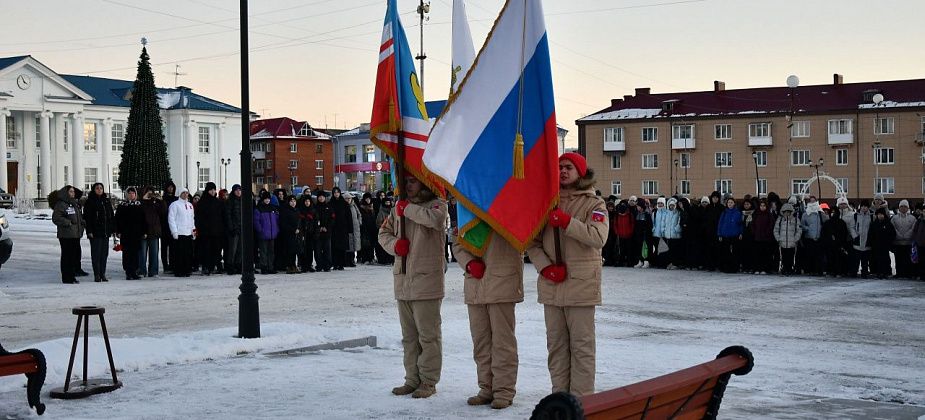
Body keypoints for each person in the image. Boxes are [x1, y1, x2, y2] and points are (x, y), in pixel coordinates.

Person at [526, 153, 608, 397]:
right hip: (552, 285)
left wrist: (567, 222)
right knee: (556, 346)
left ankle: (581, 401)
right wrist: (544, 267)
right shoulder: (547, 202)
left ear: (580, 172)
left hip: (581, 286)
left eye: (568, 167)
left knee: (581, 347)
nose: (563, 171)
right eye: (559, 167)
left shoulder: (594, 204)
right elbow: (532, 242)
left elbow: (597, 237)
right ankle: (560, 397)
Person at [378, 174, 449, 399]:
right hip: (404, 279)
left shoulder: (437, 204)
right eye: (405, 181)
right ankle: (412, 379)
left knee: (428, 336)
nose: (407, 185)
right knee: (409, 337)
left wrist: (406, 209)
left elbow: (435, 220)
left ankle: (428, 381)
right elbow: (383, 233)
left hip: (427, 280)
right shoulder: (398, 208)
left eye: (412, 181)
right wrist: (395, 245)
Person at [453, 230, 524, 409]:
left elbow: (523, 240)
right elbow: (457, 243)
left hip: (503, 282)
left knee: (503, 341)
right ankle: (486, 388)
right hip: (475, 284)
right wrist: (468, 263)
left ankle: (503, 391)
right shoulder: (470, 209)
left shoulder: (508, 209)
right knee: (481, 342)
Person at [52, 185, 86, 284]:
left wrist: (82, 223)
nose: (73, 193)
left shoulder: (74, 203)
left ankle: (72, 276)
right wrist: (68, 222)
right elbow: (56, 218)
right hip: (66, 235)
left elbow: (78, 217)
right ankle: (66, 277)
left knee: (73, 257)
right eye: (70, 192)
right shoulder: (61, 204)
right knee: (67, 257)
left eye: (73, 192)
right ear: (66, 193)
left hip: (75, 234)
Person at [83, 182, 115, 282]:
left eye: (101, 188)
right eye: (97, 188)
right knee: (96, 254)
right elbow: (87, 218)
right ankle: (97, 274)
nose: (99, 190)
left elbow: (111, 216)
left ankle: (103, 273)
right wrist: (89, 231)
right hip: (95, 232)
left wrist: (113, 229)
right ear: (94, 190)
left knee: (104, 254)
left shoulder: (106, 201)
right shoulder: (90, 201)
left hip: (105, 232)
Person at [195, 182, 225, 275]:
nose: (212, 192)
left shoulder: (217, 202)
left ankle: (213, 266)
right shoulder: (202, 202)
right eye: (211, 190)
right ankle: (206, 267)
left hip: (216, 231)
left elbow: (221, 216)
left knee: (216, 249)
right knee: (205, 249)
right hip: (205, 231)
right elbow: (199, 217)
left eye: (213, 190)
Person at [116, 187, 146, 280]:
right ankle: (128, 272)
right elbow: (117, 219)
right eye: (129, 193)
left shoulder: (139, 205)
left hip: (136, 234)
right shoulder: (122, 205)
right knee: (127, 253)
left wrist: (144, 231)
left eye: (133, 193)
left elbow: (143, 220)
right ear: (126, 194)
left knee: (135, 253)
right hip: (125, 234)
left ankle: (134, 271)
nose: (131, 195)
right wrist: (118, 231)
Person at [168, 188, 196, 277]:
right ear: (179, 194)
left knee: (187, 253)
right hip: (179, 233)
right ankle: (179, 270)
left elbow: (192, 219)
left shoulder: (190, 205)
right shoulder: (174, 205)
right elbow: (171, 219)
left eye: (186, 193)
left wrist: (193, 231)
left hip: (188, 232)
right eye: (183, 193)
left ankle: (187, 269)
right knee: (179, 253)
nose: (185, 194)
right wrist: (174, 232)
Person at [139, 186, 165, 277]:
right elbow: (140, 210)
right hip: (144, 231)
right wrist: (144, 199)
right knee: (142, 253)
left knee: (154, 253)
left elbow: (163, 212)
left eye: (151, 193)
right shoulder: (141, 203)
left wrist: (161, 200)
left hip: (154, 231)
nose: (150, 195)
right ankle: (142, 271)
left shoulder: (156, 203)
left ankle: (153, 271)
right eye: (148, 193)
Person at [253, 191, 280, 274]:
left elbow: (277, 220)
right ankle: (264, 267)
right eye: (265, 199)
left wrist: (277, 230)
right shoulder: (258, 208)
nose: (267, 200)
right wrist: (260, 230)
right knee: (263, 251)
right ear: (263, 199)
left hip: (272, 234)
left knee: (271, 251)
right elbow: (256, 221)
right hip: (263, 234)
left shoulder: (273, 208)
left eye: (268, 198)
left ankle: (270, 267)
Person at [800, 202, 828, 276]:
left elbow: (826, 221)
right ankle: (810, 270)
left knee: (819, 256)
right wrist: (808, 228)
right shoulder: (805, 214)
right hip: (809, 238)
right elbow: (802, 225)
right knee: (810, 255)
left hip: (819, 237)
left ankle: (818, 270)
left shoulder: (820, 213)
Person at [774, 203, 802, 275]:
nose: (787, 213)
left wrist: (796, 239)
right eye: (785, 212)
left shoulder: (795, 220)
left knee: (791, 256)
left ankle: (790, 268)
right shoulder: (780, 220)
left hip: (792, 242)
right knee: (783, 256)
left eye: (788, 211)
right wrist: (778, 238)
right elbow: (776, 230)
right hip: (782, 242)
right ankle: (784, 268)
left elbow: (799, 230)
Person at [869, 207, 896, 279]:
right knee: (877, 259)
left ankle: (887, 272)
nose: (880, 216)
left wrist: (889, 242)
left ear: (884, 215)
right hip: (876, 246)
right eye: (879, 214)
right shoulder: (874, 224)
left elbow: (892, 234)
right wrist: (872, 243)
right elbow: (871, 234)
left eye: (881, 214)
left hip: (885, 246)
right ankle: (878, 272)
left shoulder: (888, 223)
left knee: (886, 259)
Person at [891, 200, 915, 278]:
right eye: (901, 206)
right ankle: (899, 273)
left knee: (908, 259)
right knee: (898, 259)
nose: (903, 208)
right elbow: (893, 228)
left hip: (908, 243)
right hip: (897, 243)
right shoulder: (894, 218)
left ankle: (908, 274)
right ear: (899, 208)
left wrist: (906, 235)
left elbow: (913, 228)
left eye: (905, 206)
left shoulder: (912, 218)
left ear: (908, 208)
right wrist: (899, 235)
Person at [278, 195, 301, 274]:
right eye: (291, 201)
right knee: (289, 250)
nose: (293, 203)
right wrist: (293, 229)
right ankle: (289, 266)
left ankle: (294, 265)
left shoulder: (297, 210)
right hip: (288, 234)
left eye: (294, 201)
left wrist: (298, 229)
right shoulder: (285, 211)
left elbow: (299, 221)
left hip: (296, 234)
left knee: (294, 251)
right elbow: (284, 223)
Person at [850, 201, 874, 278]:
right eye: (862, 206)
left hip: (867, 242)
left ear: (868, 207)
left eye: (866, 206)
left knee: (865, 260)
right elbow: (852, 227)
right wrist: (855, 236)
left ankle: (864, 273)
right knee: (855, 260)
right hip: (857, 241)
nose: (864, 208)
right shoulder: (856, 215)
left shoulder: (872, 216)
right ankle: (854, 272)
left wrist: (871, 237)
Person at [224, 185, 244, 275]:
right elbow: (228, 216)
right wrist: (231, 228)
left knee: (240, 249)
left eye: (239, 190)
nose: (238, 192)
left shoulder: (242, 201)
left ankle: (238, 265)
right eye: (236, 190)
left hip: (241, 228)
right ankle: (230, 266)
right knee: (233, 249)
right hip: (233, 229)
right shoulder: (230, 201)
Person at [314, 192, 334, 272]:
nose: (321, 198)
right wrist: (319, 228)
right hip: (317, 233)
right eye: (320, 197)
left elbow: (332, 219)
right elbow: (313, 220)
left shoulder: (329, 207)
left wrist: (327, 227)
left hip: (327, 232)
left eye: (323, 197)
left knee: (327, 250)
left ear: (325, 198)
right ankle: (319, 265)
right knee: (317, 250)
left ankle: (327, 266)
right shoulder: (315, 207)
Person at [297, 194, 317, 272]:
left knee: (310, 250)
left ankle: (309, 265)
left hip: (310, 233)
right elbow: (299, 222)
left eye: (308, 201)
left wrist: (315, 232)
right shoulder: (301, 210)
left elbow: (316, 222)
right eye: (306, 201)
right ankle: (303, 265)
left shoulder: (313, 210)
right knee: (303, 250)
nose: (307, 202)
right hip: (302, 234)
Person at [161, 181, 178, 273]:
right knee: (164, 247)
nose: (171, 189)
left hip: (173, 226)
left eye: (172, 187)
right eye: (169, 187)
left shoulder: (176, 199)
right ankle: (165, 265)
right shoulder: (163, 199)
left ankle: (172, 264)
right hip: (164, 226)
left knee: (172, 247)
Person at [358, 193, 378, 264]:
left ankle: (371, 258)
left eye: (369, 199)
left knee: (371, 244)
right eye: (366, 199)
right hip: (364, 228)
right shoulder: (361, 207)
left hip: (372, 228)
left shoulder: (372, 207)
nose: (368, 200)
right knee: (365, 244)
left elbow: (374, 217)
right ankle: (365, 258)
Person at [344, 192, 362, 267]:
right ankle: (347, 261)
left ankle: (352, 260)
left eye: (349, 198)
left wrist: (359, 222)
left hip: (355, 228)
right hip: (347, 228)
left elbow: (359, 214)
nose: (348, 200)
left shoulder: (354, 205)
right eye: (346, 198)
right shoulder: (344, 206)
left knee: (353, 245)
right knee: (348, 245)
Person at [375, 196, 395, 265]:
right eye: (386, 202)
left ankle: (391, 259)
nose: (388, 203)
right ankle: (384, 260)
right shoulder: (381, 212)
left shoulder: (392, 211)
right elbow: (378, 223)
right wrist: (384, 227)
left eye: (389, 202)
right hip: (385, 231)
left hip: (393, 231)